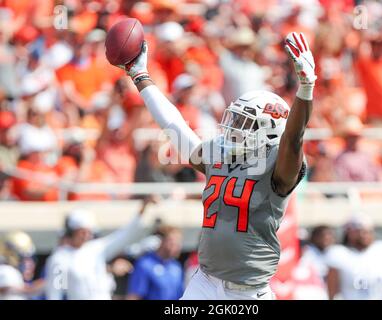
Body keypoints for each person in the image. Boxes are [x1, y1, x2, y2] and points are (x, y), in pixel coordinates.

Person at [112, 31, 316, 300]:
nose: (233, 128)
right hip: (205, 282)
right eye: (235, 119)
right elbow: (174, 127)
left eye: (244, 123)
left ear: (269, 131)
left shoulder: (278, 167)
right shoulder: (222, 156)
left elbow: (293, 139)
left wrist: (305, 88)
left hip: (246, 292)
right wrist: (141, 77)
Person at [44, 202, 148, 300]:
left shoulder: (96, 249)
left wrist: (143, 207)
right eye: (82, 232)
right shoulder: (59, 258)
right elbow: (55, 293)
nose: (86, 236)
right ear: (71, 232)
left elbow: (125, 235)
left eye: (89, 232)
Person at [127, 225, 184, 300]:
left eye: (178, 242)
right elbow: (134, 296)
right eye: (172, 242)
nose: (177, 246)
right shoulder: (144, 264)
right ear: (160, 241)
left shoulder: (176, 266)